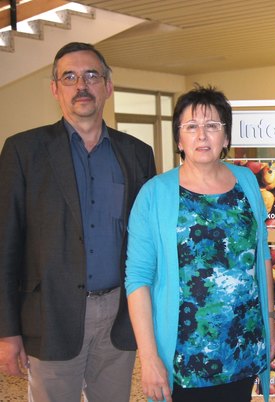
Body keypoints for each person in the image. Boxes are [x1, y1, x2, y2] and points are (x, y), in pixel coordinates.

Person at [0, 42, 156, 401]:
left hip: (119, 314)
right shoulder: (24, 151)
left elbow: (147, 241)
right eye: (69, 77)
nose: (80, 85)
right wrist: (8, 332)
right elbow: (5, 244)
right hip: (50, 315)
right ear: (55, 88)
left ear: (108, 86)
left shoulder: (136, 154)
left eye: (91, 76)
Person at [125, 85, 275, 402]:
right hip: (184, 360)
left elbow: (262, 256)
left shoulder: (247, 181)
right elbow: (138, 278)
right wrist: (149, 358)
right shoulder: (154, 194)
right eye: (191, 127)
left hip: (242, 350)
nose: (202, 136)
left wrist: (270, 322)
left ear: (226, 137)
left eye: (212, 126)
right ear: (179, 139)